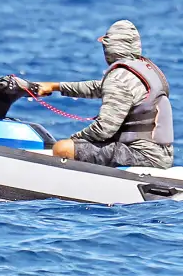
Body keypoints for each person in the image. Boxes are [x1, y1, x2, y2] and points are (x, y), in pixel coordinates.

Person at [34, 19, 174, 169]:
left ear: (109, 48)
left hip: (141, 155)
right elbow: (98, 87)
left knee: (63, 148)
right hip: (161, 155)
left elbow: (104, 130)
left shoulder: (118, 79)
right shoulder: (144, 71)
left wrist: (74, 140)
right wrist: (56, 86)